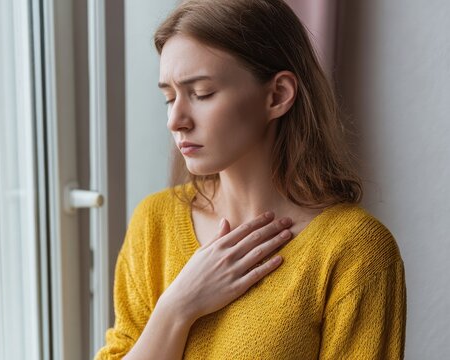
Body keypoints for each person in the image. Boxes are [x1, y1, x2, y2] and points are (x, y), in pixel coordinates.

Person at [94, 0, 406, 359]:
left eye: (201, 93)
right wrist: (177, 309)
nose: (175, 120)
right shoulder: (154, 222)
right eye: (169, 97)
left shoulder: (355, 252)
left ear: (277, 95)